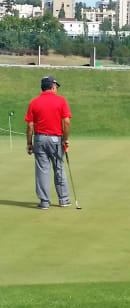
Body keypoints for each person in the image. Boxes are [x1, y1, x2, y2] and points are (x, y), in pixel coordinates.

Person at [25, 75, 72, 210]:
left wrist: (29, 143)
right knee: (58, 169)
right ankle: (63, 200)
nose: (56, 89)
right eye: (56, 87)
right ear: (52, 87)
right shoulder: (61, 101)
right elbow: (67, 122)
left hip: (39, 139)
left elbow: (30, 126)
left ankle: (44, 202)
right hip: (56, 139)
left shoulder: (34, 102)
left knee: (42, 171)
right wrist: (65, 139)